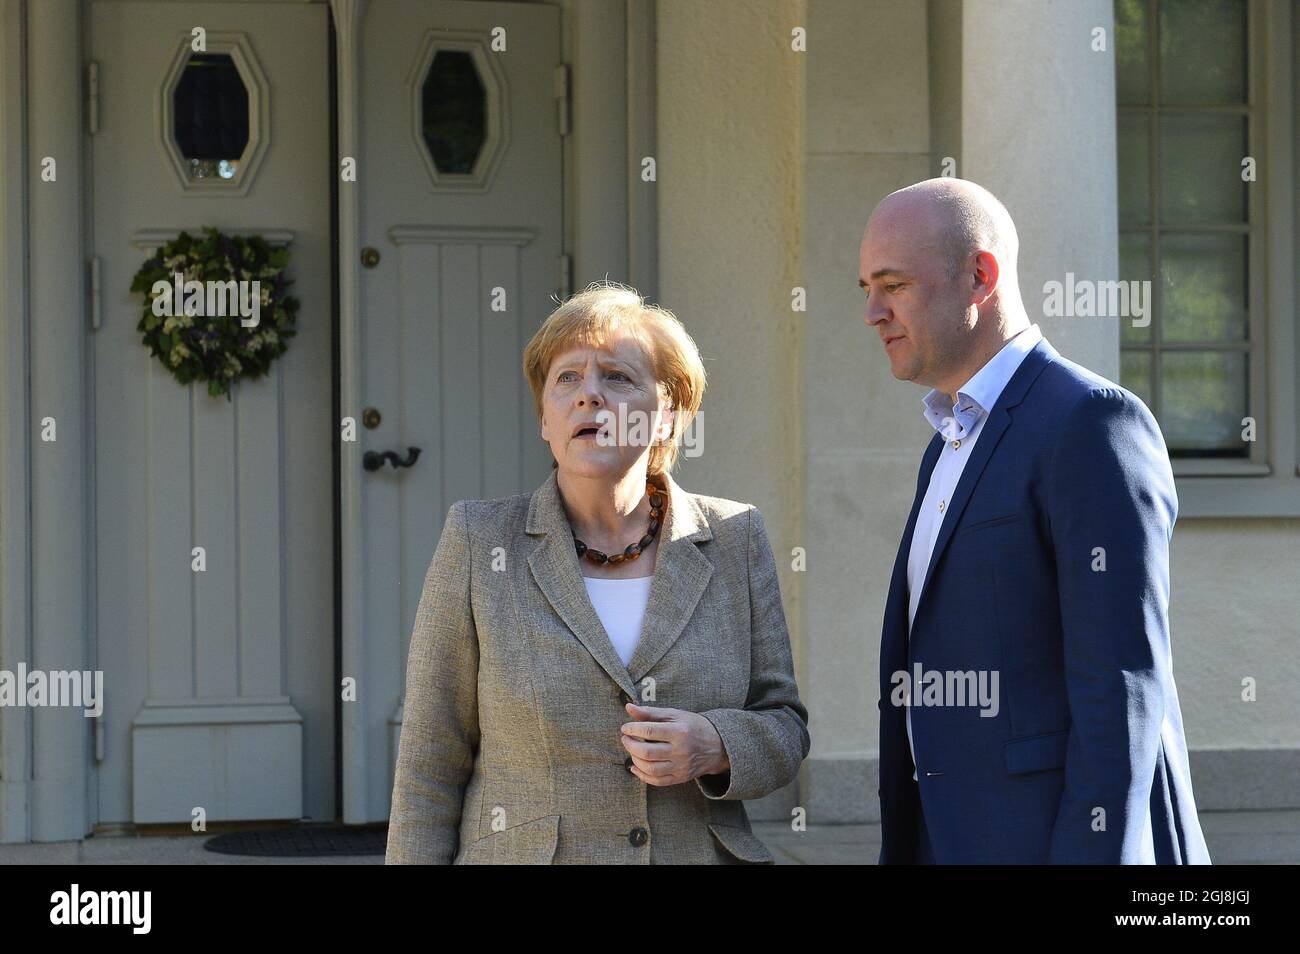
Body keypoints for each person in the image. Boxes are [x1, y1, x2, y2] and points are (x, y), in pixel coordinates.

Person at [386, 281, 809, 864]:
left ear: (667, 417)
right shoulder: (478, 540)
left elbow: (784, 725)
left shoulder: (735, 538)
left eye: (617, 376)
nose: (589, 396)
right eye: (567, 378)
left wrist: (716, 745)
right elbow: (430, 759)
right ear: (544, 419)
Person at [860, 177, 1210, 864]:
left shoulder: (1089, 421)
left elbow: (1120, 687)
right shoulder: (949, 441)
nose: (873, 312)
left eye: (893, 285)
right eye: (865, 288)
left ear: (979, 276)